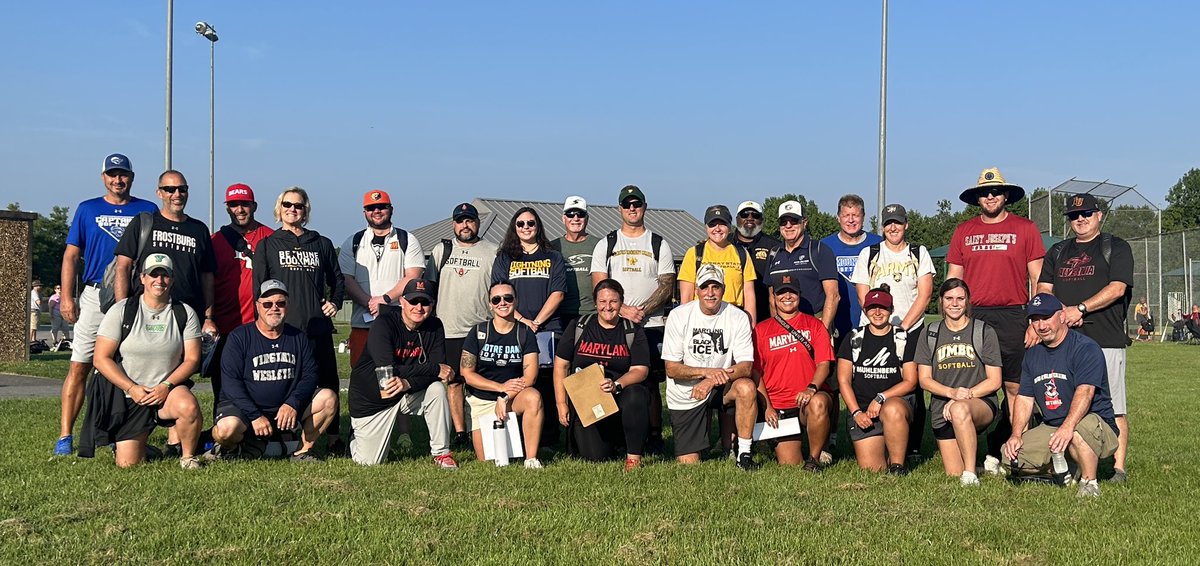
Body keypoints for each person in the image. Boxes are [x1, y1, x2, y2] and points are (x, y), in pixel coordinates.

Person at [56, 153, 158, 456]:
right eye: (112, 174)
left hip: (133, 297)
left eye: (123, 174)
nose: (118, 180)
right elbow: (72, 255)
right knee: (80, 365)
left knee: (132, 367)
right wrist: (66, 296)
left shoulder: (147, 209)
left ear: (132, 177)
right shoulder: (88, 209)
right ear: (103, 177)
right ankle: (65, 436)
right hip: (94, 295)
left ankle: (124, 434)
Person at [946, 167, 1044, 475]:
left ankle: (1018, 454)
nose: (990, 196)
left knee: (1015, 387)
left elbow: (1038, 279)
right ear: (977, 199)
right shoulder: (964, 231)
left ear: (1005, 196)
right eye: (984, 193)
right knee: (974, 387)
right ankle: (973, 457)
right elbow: (953, 282)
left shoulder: (1025, 228)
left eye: (996, 192)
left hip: (1014, 314)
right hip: (974, 318)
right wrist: (954, 319)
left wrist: (1034, 319)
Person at [1036, 193, 1135, 482]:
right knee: (1072, 404)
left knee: (1113, 404)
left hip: (1105, 337)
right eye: (1074, 216)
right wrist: (1052, 316)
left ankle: (1118, 467)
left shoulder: (1115, 247)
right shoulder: (1058, 251)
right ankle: (1080, 463)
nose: (1080, 219)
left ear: (1099, 215)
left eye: (1086, 214)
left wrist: (1079, 308)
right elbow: (1044, 289)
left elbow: (1117, 288)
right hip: (1064, 341)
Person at [88, 254, 204, 469]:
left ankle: (188, 457)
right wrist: (131, 388)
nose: (159, 280)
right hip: (131, 394)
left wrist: (166, 386)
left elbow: (192, 359)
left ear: (172, 279)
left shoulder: (184, 313)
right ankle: (141, 447)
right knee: (128, 464)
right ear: (142, 278)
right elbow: (100, 358)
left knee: (188, 406)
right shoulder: (122, 310)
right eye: (153, 274)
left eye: (164, 275)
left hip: (167, 390)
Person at [253, 187, 346, 454]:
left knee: (328, 381)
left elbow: (337, 279)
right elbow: (258, 288)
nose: (292, 210)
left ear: (306, 211)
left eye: (298, 206)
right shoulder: (268, 244)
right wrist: (265, 323)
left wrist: (335, 302)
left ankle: (333, 437)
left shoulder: (321, 243)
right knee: (285, 383)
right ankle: (280, 436)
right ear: (278, 208)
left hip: (317, 326)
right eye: (287, 205)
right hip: (285, 329)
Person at [1003, 293, 1120, 497]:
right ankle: (1065, 467)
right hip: (1052, 425)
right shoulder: (1032, 354)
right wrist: (1015, 435)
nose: (1041, 325)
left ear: (1062, 316)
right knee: (1010, 456)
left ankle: (1089, 483)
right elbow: (1024, 398)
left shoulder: (1085, 348)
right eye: (1035, 320)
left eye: (1046, 317)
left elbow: (1086, 391)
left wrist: (1067, 427)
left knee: (1076, 433)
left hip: (1092, 422)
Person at [208, 280, 338, 462]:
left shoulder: (298, 337)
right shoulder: (239, 337)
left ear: (287, 305)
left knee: (328, 399)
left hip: (283, 409)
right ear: (257, 306)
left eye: (280, 303)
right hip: (246, 410)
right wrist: (255, 415)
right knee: (225, 431)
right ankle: (230, 447)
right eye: (267, 304)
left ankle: (302, 452)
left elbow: (310, 375)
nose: (274, 308)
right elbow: (230, 383)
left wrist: (293, 403)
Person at [589, 184, 676, 454]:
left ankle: (653, 436)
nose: (632, 209)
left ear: (644, 207)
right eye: (627, 205)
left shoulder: (658, 243)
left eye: (636, 204)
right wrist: (624, 309)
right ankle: (614, 435)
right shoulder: (608, 243)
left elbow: (667, 283)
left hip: (649, 325)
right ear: (620, 209)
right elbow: (599, 282)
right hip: (617, 323)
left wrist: (643, 310)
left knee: (649, 382)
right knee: (613, 378)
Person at [849, 203, 935, 461]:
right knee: (872, 379)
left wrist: (904, 327)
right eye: (888, 223)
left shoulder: (918, 252)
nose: (893, 227)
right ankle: (871, 433)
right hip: (876, 327)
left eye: (897, 222)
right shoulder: (871, 253)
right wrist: (881, 324)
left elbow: (925, 293)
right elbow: (863, 292)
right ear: (883, 227)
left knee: (913, 385)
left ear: (906, 225)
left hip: (911, 328)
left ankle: (913, 447)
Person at [348, 279, 457, 468]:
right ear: (403, 303)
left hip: (406, 392)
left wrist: (409, 383)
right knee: (369, 462)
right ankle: (354, 438)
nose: (419, 307)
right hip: (372, 400)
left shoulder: (435, 325)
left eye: (425, 302)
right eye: (413, 301)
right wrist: (433, 368)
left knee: (437, 390)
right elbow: (388, 372)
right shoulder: (383, 324)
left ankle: (442, 453)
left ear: (433, 304)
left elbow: (438, 373)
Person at [661, 264, 757, 469]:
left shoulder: (737, 316)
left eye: (716, 287)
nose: (710, 293)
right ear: (696, 289)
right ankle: (705, 441)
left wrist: (711, 380)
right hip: (685, 391)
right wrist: (706, 373)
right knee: (689, 464)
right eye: (705, 287)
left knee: (746, 387)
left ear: (724, 289)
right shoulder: (679, 315)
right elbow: (672, 368)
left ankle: (744, 454)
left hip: (721, 386)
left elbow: (746, 366)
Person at [553, 279, 651, 471]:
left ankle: (633, 458)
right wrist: (561, 403)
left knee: (636, 395)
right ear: (595, 303)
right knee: (596, 457)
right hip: (587, 400)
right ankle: (613, 441)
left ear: (621, 303)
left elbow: (641, 370)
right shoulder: (578, 326)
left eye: (613, 302)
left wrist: (616, 384)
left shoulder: (632, 330)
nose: (608, 307)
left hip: (619, 395)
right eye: (603, 302)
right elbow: (561, 366)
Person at [914, 278, 1002, 486]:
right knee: (953, 472)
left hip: (979, 404)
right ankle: (987, 467)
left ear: (968, 301)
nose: (955, 303)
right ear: (941, 302)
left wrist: (963, 396)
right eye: (949, 298)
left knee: (960, 410)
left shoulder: (983, 331)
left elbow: (995, 380)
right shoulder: (930, 333)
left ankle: (970, 475)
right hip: (942, 408)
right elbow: (924, 380)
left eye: (960, 298)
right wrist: (952, 394)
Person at [491, 207, 566, 447]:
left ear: (538, 226)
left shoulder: (552, 256)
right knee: (518, 380)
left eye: (530, 223)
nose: (526, 227)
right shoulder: (504, 257)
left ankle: (549, 438)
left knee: (547, 381)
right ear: (514, 227)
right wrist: (523, 321)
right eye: (521, 223)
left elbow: (558, 292)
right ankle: (518, 439)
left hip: (548, 327)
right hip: (515, 327)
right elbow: (499, 293)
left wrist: (538, 322)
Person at [427, 202, 498, 446]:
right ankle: (460, 433)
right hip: (449, 329)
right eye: (460, 220)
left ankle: (483, 428)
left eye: (469, 220)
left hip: (482, 329)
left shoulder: (492, 251)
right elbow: (429, 289)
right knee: (454, 381)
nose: (465, 225)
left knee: (480, 382)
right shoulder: (441, 250)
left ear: (477, 223)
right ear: (453, 224)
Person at [113, 170, 217, 334]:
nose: (177, 194)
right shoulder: (143, 223)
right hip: (147, 314)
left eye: (182, 189)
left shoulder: (199, 229)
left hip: (188, 316)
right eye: (170, 189)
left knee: (189, 360)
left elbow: (207, 277)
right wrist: (122, 312)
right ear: (159, 193)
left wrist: (208, 317)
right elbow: (122, 267)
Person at [753, 273, 835, 470]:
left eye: (792, 292)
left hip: (808, 399)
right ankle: (774, 443)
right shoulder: (761, 330)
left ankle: (814, 458)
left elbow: (824, 363)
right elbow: (756, 372)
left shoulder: (814, 325)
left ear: (799, 295)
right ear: (774, 298)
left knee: (819, 403)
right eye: (781, 293)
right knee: (789, 463)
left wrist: (811, 388)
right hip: (779, 404)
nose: (787, 297)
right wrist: (767, 407)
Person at [460, 281, 544, 468]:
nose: (502, 303)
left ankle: (531, 459)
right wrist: (499, 388)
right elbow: (466, 373)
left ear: (516, 301)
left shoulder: (525, 333)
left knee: (534, 397)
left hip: (512, 398)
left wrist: (504, 396)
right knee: (487, 462)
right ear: (490, 304)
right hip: (481, 400)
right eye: (496, 299)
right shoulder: (479, 331)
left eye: (508, 298)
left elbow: (530, 377)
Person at [836, 286, 918, 474]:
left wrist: (881, 397)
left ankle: (898, 466)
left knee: (892, 408)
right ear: (865, 310)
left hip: (895, 406)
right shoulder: (854, 338)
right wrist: (857, 412)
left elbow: (910, 381)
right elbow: (844, 381)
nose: (877, 312)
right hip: (864, 411)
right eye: (872, 307)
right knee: (872, 470)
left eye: (883, 307)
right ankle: (888, 448)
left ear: (891, 310)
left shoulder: (903, 339)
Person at [207, 183, 275, 407]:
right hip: (225, 326)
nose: (240, 209)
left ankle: (259, 433)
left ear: (254, 206)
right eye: (234, 205)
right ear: (227, 208)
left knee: (260, 382)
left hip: (260, 326)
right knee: (225, 385)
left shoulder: (270, 238)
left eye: (244, 204)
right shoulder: (216, 240)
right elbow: (207, 281)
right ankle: (224, 432)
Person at [340, 190, 424, 367]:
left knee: (396, 374)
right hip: (362, 323)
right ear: (365, 212)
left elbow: (413, 276)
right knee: (362, 375)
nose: (376, 211)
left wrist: (385, 299)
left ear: (391, 209)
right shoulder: (353, 241)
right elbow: (346, 279)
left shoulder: (407, 239)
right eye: (371, 208)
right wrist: (370, 302)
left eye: (381, 206)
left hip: (398, 323)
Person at [764, 200, 839, 331]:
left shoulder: (820, 250)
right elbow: (772, 299)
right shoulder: (774, 253)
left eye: (794, 221)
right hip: (785, 328)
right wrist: (778, 330)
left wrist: (823, 332)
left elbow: (833, 296)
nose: (788, 226)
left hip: (815, 324)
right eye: (783, 222)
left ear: (804, 223)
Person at [678, 204, 757, 325]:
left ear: (730, 227)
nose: (717, 228)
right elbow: (686, 297)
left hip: (734, 318)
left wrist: (751, 327)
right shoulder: (694, 253)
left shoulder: (741, 253)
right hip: (702, 319)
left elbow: (749, 295)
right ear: (706, 227)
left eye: (722, 224)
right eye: (712, 224)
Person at [820, 194, 883, 344]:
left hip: (871, 320)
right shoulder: (824, 246)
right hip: (836, 322)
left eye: (855, 215)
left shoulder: (879, 243)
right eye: (846, 215)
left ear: (863, 217)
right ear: (838, 217)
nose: (850, 220)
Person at [550, 195, 597, 324]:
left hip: (592, 314)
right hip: (560, 314)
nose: (575, 218)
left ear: (587, 218)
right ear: (563, 219)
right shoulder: (552, 247)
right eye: (570, 214)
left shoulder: (600, 244)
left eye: (580, 214)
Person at [733, 200, 782, 324]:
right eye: (744, 215)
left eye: (755, 215)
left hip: (764, 317)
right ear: (737, 219)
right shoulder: (725, 244)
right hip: (730, 316)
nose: (750, 218)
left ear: (762, 220)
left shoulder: (775, 246)